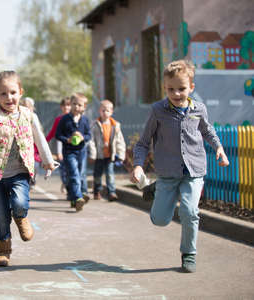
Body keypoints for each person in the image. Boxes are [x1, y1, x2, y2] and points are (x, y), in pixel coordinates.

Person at [131, 60, 229, 273]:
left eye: (181, 89)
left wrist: (219, 148)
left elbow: (208, 132)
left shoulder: (199, 109)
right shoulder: (158, 110)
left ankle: (189, 253)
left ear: (191, 88)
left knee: (189, 210)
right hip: (167, 173)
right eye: (170, 89)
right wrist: (138, 165)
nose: (176, 93)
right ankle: (155, 188)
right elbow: (143, 142)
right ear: (164, 88)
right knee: (159, 220)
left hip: (194, 171)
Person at [0, 71, 55, 267]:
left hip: (20, 172)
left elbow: (39, 138)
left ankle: (21, 216)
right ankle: (4, 251)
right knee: (1, 214)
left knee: (19, 202)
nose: (9, 98)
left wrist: (48, 160)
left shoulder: (29, 115)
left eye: (13, 92)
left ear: (21, 92)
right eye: (3, 94)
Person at [55, 93, 91, 212]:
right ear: (70, 104)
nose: (76, 107)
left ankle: (72, 198)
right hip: (69, 152)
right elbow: (58, 135)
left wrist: (82, 137)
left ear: (84, 107)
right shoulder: (64, 119)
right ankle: (78, 198)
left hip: (81, 151)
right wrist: (68, 139)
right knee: (74, 175)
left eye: (79, 105)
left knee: (80, 174)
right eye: (74, 104)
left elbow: (89, 135)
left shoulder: (85, 120)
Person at [89, 100, 126, 201]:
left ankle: (111, 192)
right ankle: (97, 191)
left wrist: (121, 155)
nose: (105, 112)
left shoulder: (115, 125)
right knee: (97, 174)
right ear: (99, 111)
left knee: (110, 174)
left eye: (107, 111)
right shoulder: (94, 124)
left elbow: (119, 141)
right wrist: (92, 154)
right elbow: (91, 140)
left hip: (110, 155)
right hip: (99, 155)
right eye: (103, 110)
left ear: (111, 112)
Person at [46, 97, 71, 193]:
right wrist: (43, 142)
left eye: (68, 105)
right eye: (64, 105)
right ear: (61, 107)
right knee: (63, 168)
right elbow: (53, 133)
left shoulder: (74, 119)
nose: (66, 108)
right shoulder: (59, 119)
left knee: (71, 169)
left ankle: (69, 186)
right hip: (61, 146)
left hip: (72, 149)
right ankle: (65, 183)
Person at [20, 97, 41, 185]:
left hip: (34, 146)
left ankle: (33, 178)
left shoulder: (34, 117)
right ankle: (27, 180)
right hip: (23, 145)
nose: (26, 108)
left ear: (32, 107)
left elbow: (39, 134)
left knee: (35, 165)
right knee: (24, 166)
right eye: (24, 106)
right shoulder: (19, 116)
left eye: (28, 106)